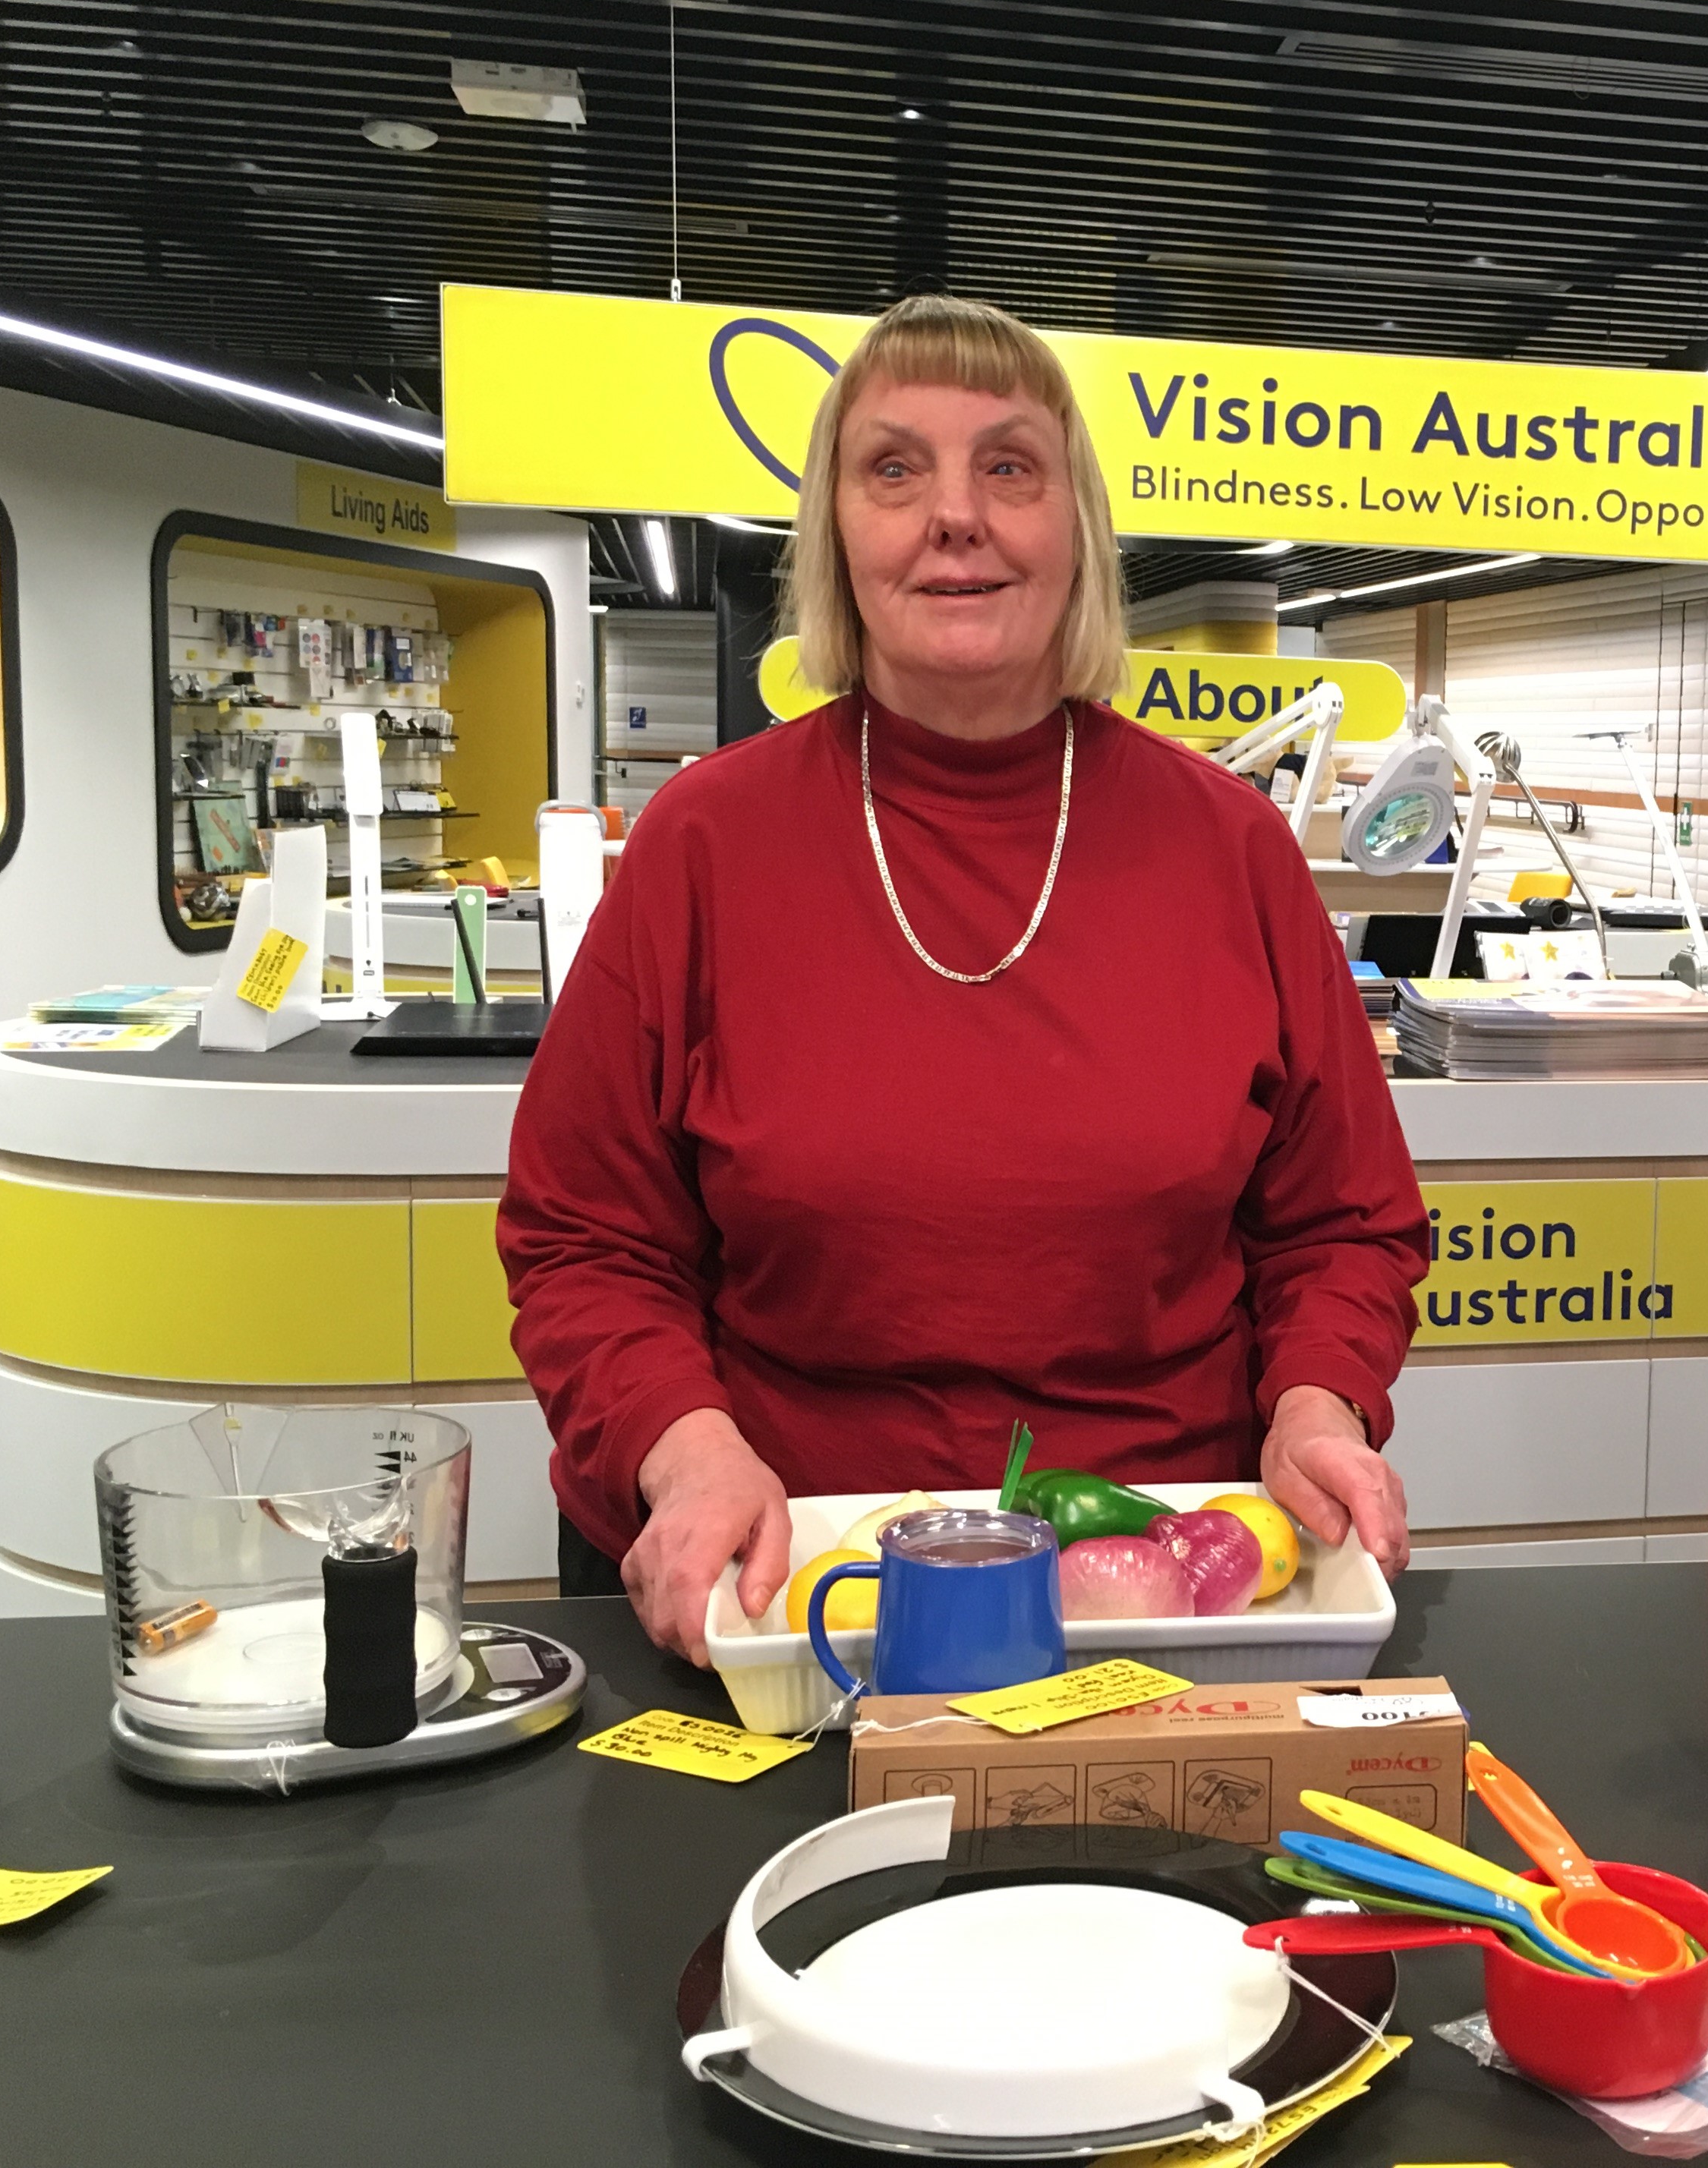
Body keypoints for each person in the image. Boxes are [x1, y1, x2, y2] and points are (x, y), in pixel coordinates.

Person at [501, 292, 1428, 1661]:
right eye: (894, 469)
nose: (956, 515)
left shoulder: (1229, 850)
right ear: (836, 535)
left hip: (1170, 1576)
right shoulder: (704, 843)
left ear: (1078, 533)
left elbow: (1342, 1227)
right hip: (800, 1583)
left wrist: (1316, 1407)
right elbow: (588, 1241)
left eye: (1010, 466)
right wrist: (685, 1452)